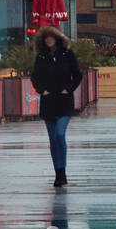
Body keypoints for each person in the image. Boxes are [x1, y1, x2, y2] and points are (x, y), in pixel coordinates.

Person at [30, 27, 83, 187]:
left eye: (51, 37)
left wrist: (69, 88)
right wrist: (42, 90)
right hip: (48, 101)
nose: (49, 40)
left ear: (57, 38)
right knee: (53, 139)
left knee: (60, 134)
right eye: (46, 38)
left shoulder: (67, 54)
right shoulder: (41, 56)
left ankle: (63, 171)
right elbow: (35, 77)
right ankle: (58, 174)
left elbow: (78, 75)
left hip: (64, 101)